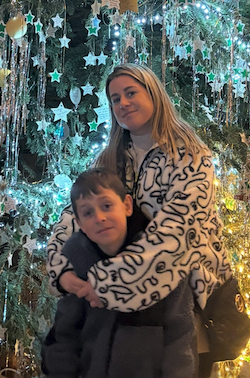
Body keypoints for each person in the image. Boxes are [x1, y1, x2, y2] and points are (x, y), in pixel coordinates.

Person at [46, 63, 232, 377]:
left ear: (153, 94)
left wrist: (106, 283)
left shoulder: (191, 156)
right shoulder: (109, 159)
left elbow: (177, 232)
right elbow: (75, 214)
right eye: (115, 99)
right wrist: (61, 269)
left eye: (130, 93)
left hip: (185, 303)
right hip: (121, 314)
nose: (123, 103)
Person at [42, 168, 198, 378]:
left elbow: (180, 333)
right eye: (88, 213)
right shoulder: (78, 262)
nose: (100, 218)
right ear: (79, 223)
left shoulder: (159, 260)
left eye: (107, 206)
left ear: (127, 206)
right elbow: (65, 334)